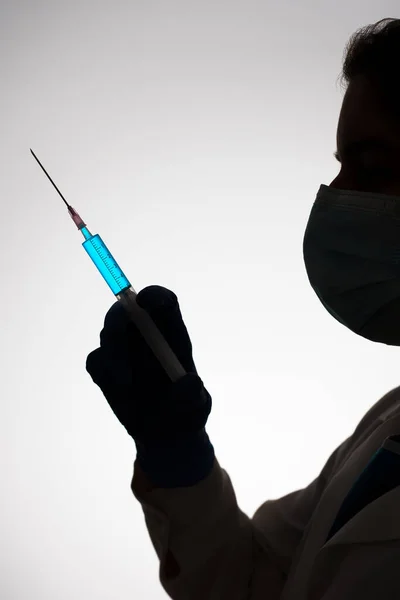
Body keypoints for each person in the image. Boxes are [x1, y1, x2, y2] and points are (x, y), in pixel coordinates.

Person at [86, 17, 400, 600]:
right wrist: (179, 459)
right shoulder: (388, 424)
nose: (339, 197)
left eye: (375, 168)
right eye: (340, 167)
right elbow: (250, 584)